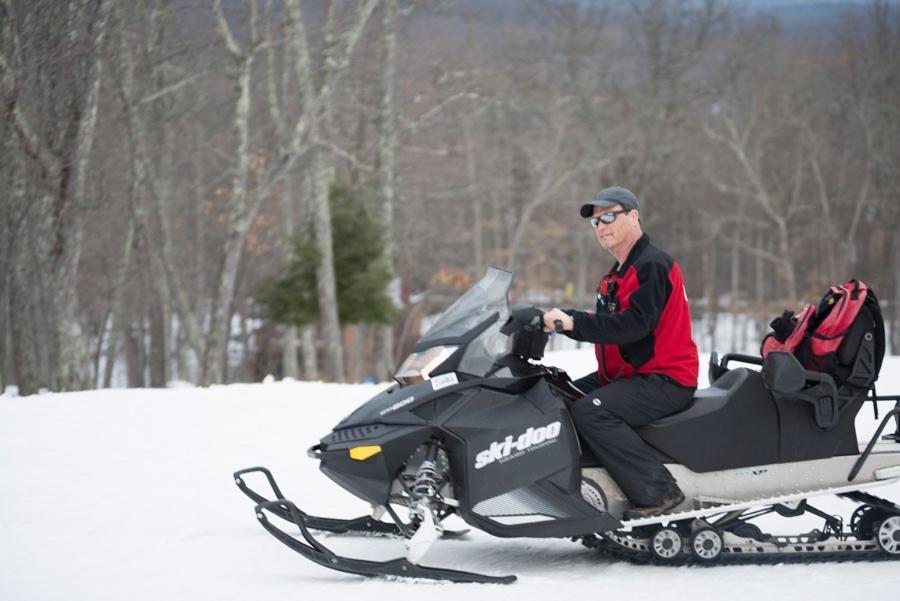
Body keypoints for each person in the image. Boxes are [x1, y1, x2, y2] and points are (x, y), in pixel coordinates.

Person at [542, 186, 698, 519]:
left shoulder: (653, 264)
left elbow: (634, 325)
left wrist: (573, 323)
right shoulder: (618, 274)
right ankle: (584, 485)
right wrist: (554, 319)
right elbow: (606, 322)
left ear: (633, 216)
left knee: (591, 412)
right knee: (554, 394)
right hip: (628, 374)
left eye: (609, 217)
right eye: (596, 222)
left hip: (665, 378)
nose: (601, 226)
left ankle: (659, 494)